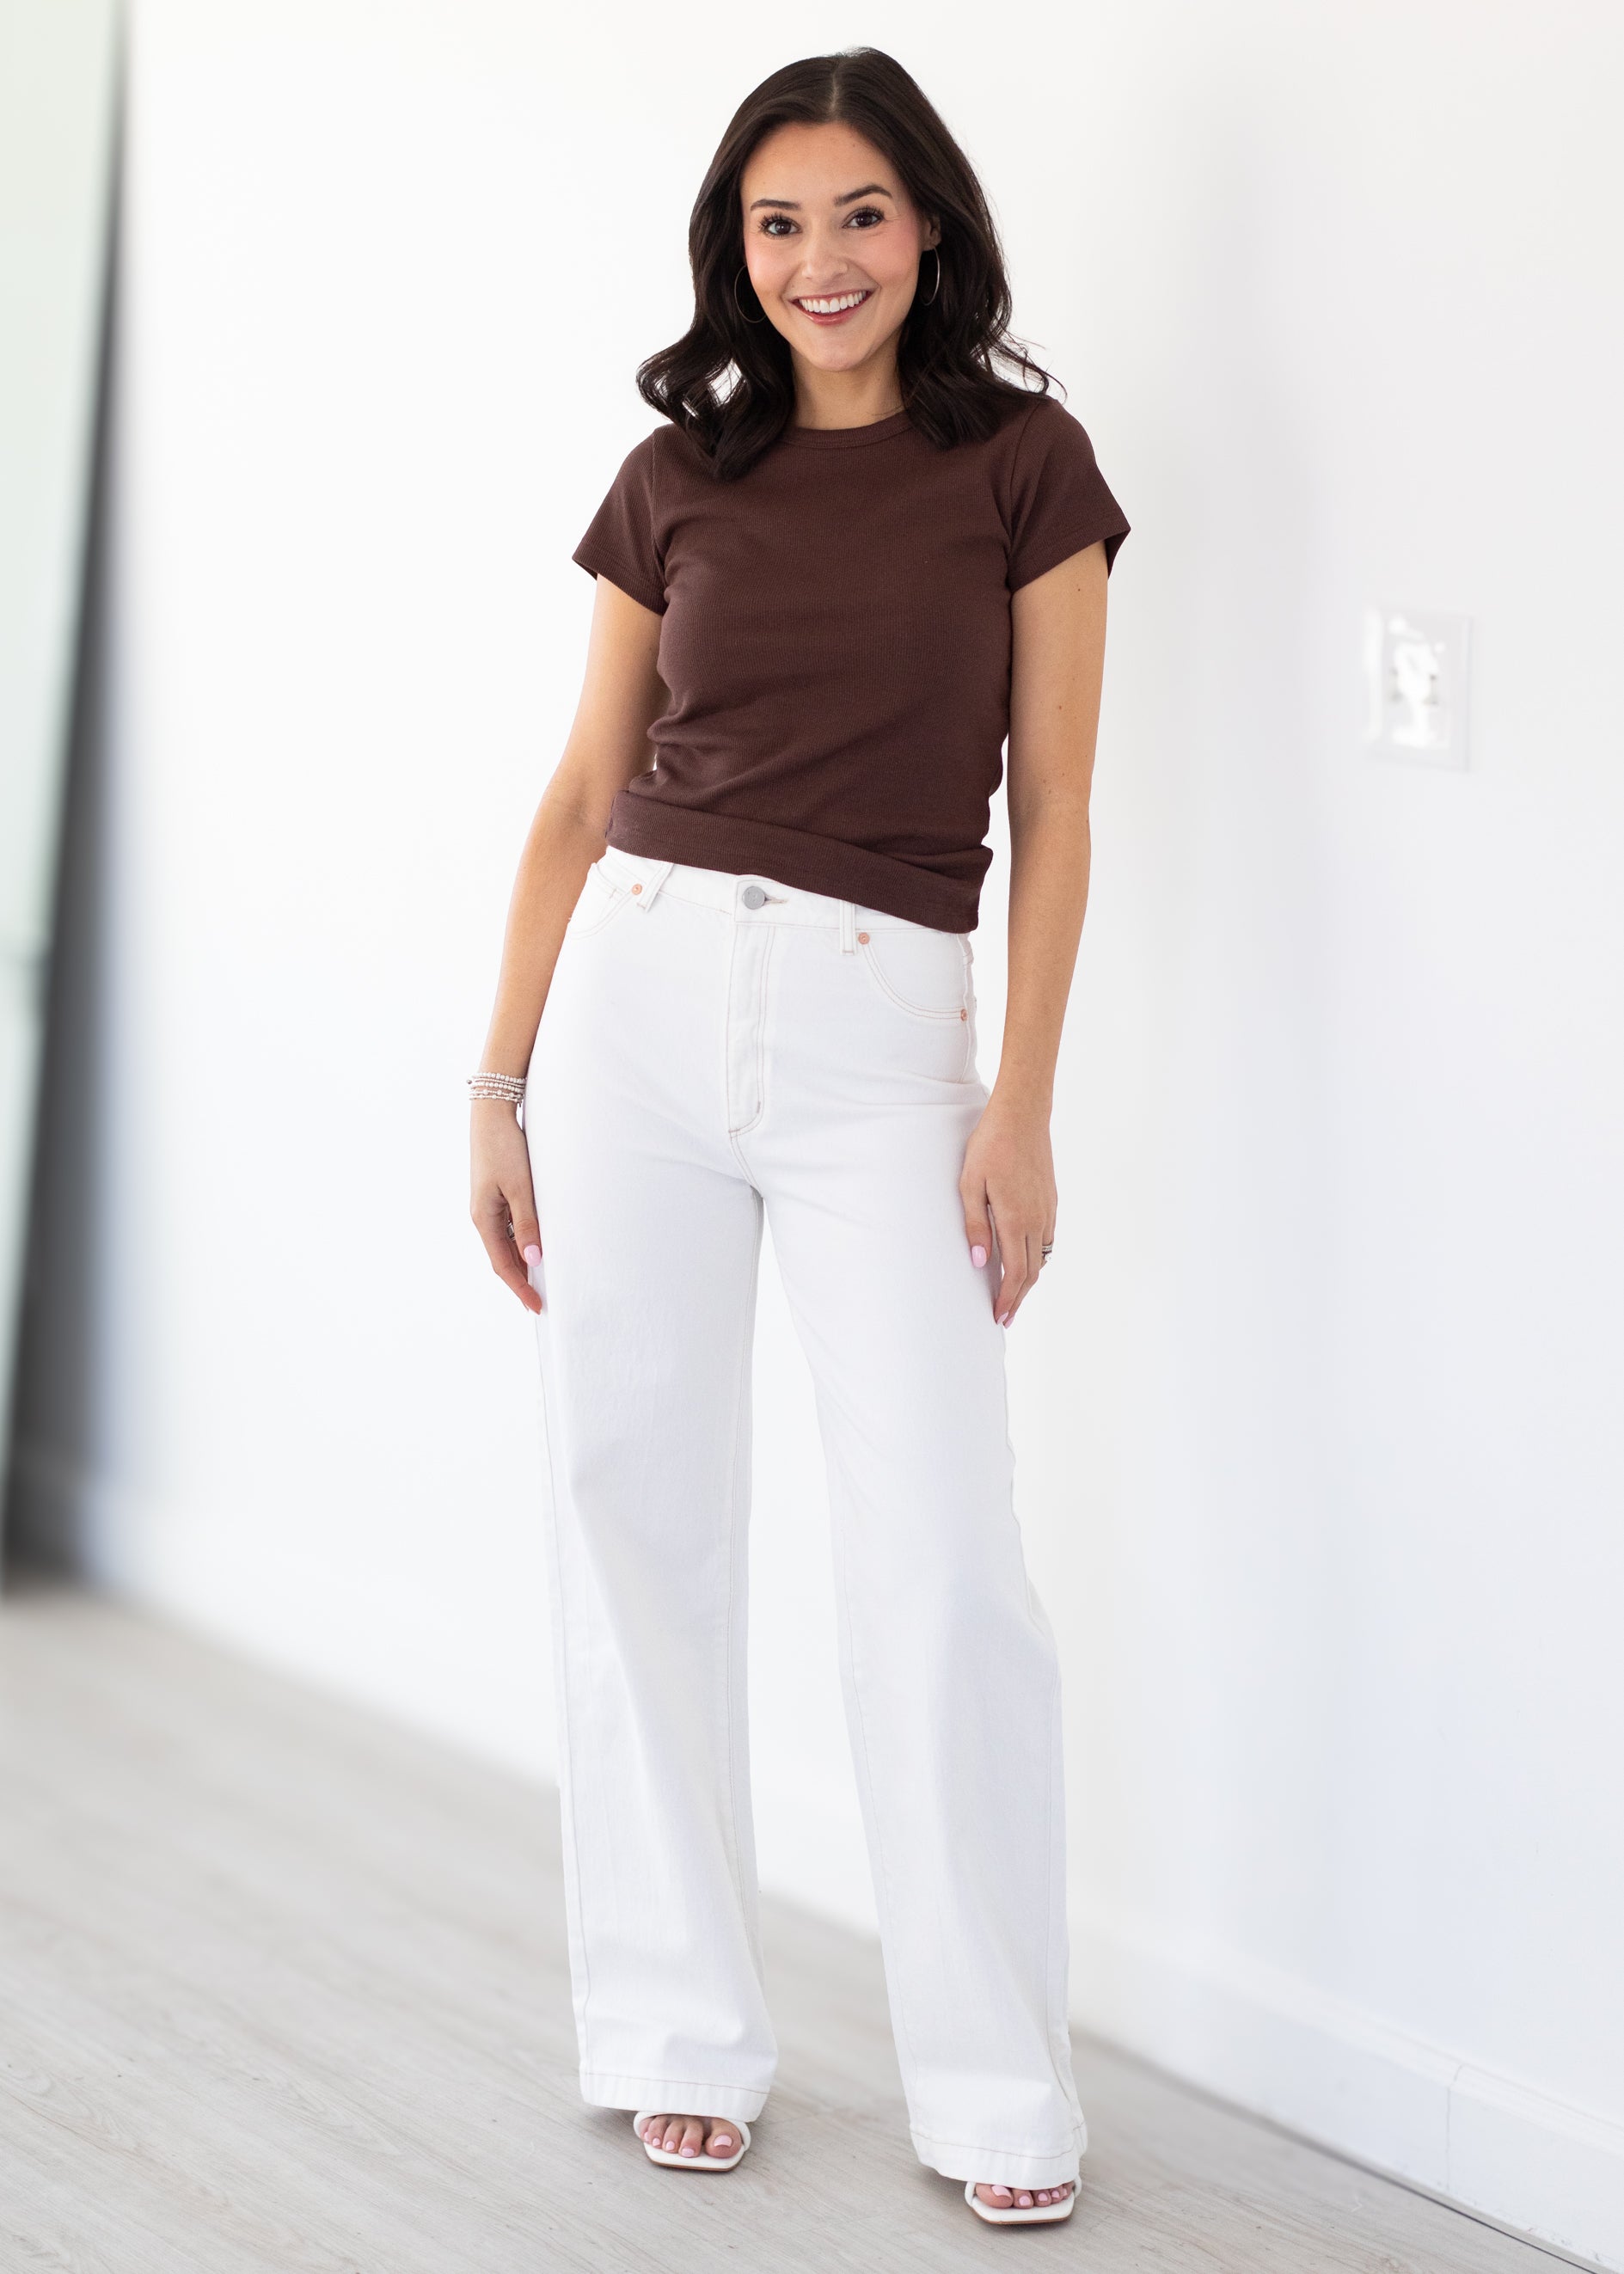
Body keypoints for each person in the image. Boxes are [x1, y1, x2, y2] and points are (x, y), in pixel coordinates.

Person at [469, 46, 1129, 2228]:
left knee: (941, 1560)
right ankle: (675, 2028)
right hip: (637, 1003)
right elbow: (579, 794)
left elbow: (1057, 818)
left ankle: (999, 2098)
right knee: (632, 1508)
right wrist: (500, 1081)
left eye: (857, 214)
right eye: (776, 223)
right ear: (731, 254)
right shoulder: (680, 473)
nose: (818, 260)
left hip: (884, 1037)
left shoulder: (1026, 467)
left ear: (927, 225)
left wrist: (1017, 1104)